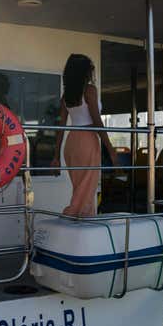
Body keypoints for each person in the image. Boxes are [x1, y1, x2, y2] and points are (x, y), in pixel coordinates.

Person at [50, 54, 117, 217]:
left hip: (72, 142)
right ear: (85, 72)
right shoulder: (89, 90)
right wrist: (111, 149)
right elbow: (97, 121)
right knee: (88, 187)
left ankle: (76, 217)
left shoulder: (66, 96)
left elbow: (61, 127)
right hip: (87, 140)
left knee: (80, 187)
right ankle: (79, 217)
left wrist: (56, 156)